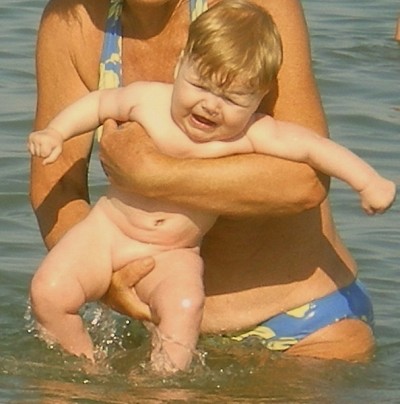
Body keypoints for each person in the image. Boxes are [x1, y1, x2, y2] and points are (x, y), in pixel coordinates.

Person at [27, 0, 396, 373]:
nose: (211, 105)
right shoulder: (74, 23)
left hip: (301, 325)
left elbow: (305, 181)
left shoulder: (254, 13)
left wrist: (150, 172)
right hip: (154, 316)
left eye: (231, 98)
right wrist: (110, 282)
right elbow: (56, 185)